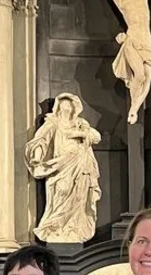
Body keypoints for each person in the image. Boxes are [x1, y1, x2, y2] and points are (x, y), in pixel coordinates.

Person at [24, 94, 103, 244]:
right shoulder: (53, 123)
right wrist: (37, 155)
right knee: (62, 192)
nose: (67, 108)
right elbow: (41, 140)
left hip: (81, 164)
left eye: (70, 105)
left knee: (79, 197)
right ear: (58, 108)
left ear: (75, 107)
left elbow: (97, 137)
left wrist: (79, 133)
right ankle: (53, 228)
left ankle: (73, 229)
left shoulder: (81, 124)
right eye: (63, 105)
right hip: (61, 166)